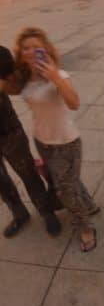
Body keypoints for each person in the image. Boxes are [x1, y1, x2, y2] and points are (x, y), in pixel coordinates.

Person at [12, 28, 98, 252]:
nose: (31, 51)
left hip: (66, 142)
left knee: (65, 190)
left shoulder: (60, 75)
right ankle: (89, 206)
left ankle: (86, 228)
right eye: (26, 48)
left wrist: (55, 77)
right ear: (20, 54)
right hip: (42, 141)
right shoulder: (24, 79)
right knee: (69, 182)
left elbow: (74, 103)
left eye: (36, 47)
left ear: (46, 50)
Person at [0, 45, 61, 239]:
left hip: (8, 131)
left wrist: (6, 74)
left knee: (28, 172)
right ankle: (19, 214)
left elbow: (16, 86)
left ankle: (46, 211)